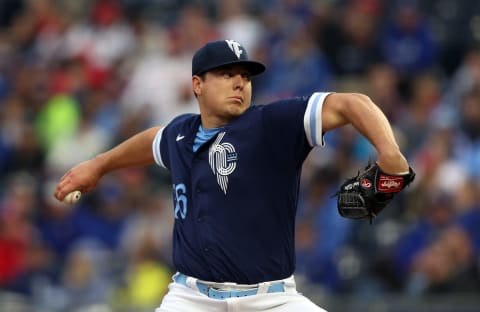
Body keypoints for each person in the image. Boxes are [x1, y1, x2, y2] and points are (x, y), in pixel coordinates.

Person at [54, 39, 411, 312]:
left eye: (245, 76)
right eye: (227, 74)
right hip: (191, 297)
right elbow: (151, 140)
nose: (240, 83)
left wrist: (389, 153)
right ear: (198, 85)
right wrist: (98, 164)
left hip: (270, 300)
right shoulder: (181, 134)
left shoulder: (272, 124)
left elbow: (353, 103)